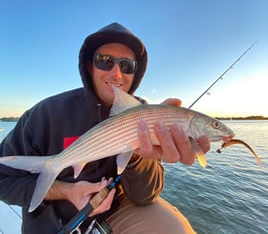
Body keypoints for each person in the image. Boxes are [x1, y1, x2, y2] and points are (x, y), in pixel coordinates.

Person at [0, 22, 210, 233]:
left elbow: (145, 196)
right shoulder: (46, 113)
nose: (117, 74)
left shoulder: (147, 114)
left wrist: (138, 156)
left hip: (115, 211)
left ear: (136, 73)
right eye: (105, 61)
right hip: (52, 220)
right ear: (90, 66)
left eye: (127, 66)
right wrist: (65, 191)